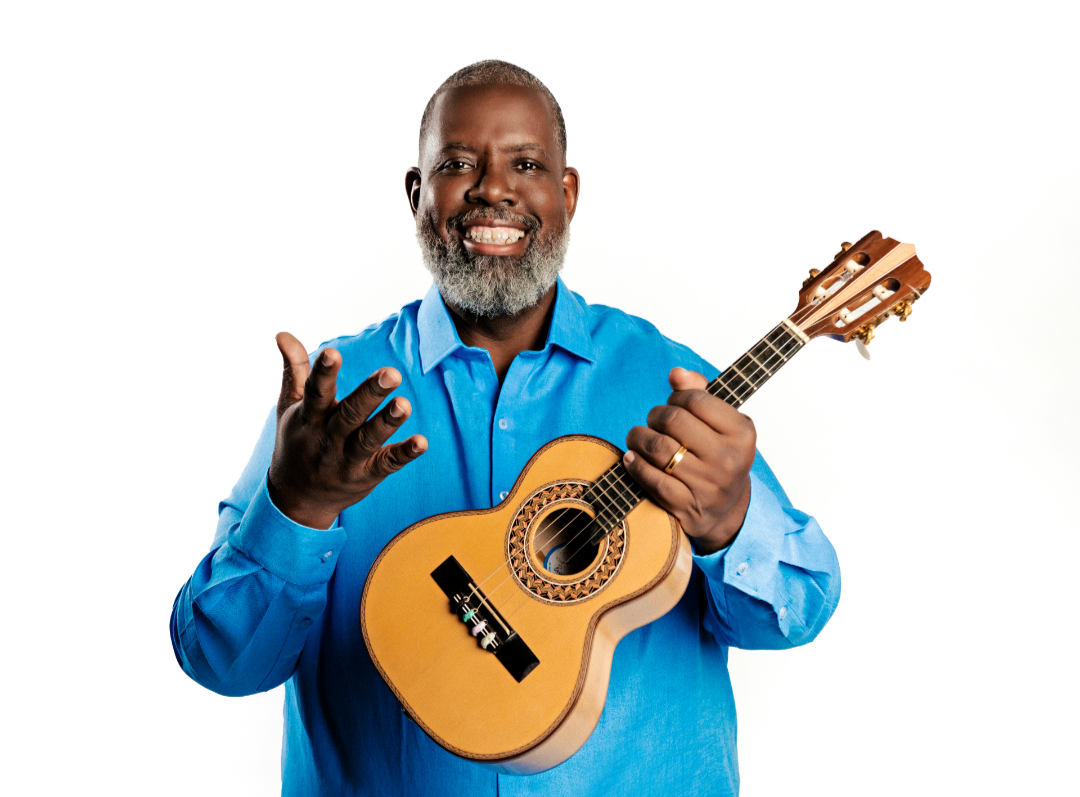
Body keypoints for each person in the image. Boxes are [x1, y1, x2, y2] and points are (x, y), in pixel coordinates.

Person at [171, 60, 841, 796]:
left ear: (567, 194)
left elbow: (796, 612)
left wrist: (731, 522)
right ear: (417, 194)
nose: (494, 188)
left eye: (526, 164)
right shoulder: (334, 406)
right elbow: (222, 660)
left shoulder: (668, 384)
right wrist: (295, 507)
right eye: (458, 164)